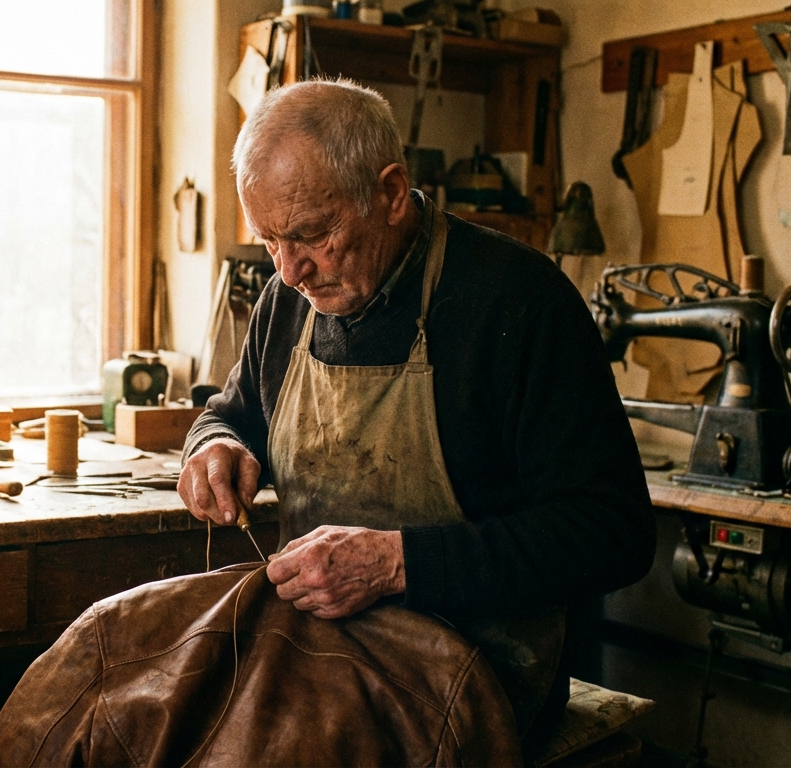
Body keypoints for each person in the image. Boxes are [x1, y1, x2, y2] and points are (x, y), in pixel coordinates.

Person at [179, 79, 656, 753]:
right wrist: (215, 445)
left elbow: (614, 532)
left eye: (311, 234)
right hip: (318, 652)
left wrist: (398, 563)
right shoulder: (288, 302)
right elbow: (230, 414)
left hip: (474, 676)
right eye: (269, 241)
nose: (288, 271)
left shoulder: (518, 301)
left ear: (392, 193)